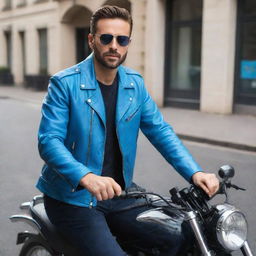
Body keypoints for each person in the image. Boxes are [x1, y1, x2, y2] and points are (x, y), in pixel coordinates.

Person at [36, 5, 219, 256]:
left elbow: (160, 131)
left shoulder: (134, 84)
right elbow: (49, 141)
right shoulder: (64, 84)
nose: (114, 46)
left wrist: (194, 171)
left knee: (180, 237)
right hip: (72, 200)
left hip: (120, 194)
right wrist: (87, 177)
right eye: (106, 38)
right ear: (91, 40)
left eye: (122, 40)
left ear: (128, 43)